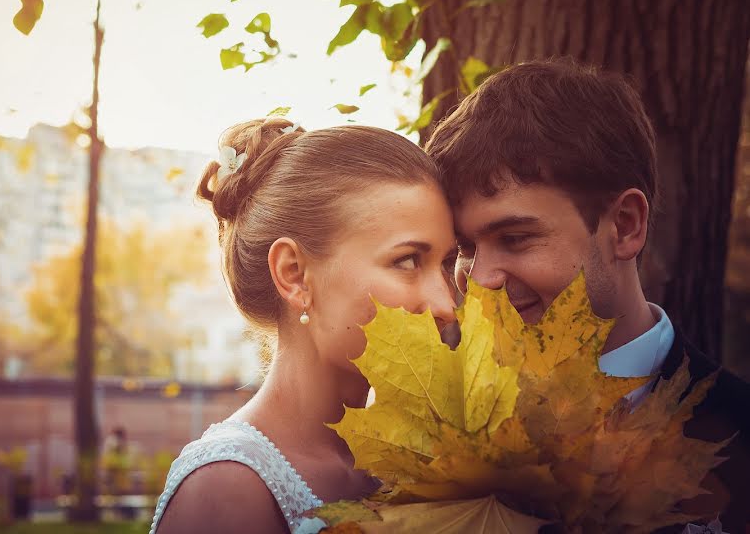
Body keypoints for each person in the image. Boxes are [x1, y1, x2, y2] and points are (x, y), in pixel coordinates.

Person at [425, 58, 750, 532]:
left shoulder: (739, 434)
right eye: (466, 248)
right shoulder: (431, 425)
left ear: (624, 226)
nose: (480, 279)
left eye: (515, 238)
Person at [151, 118, 458, 534]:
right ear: (294, 274)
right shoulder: (225, 490)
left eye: (447, 262)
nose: (446, 304)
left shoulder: (424, 464)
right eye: (406, 261)